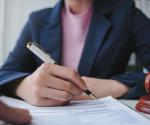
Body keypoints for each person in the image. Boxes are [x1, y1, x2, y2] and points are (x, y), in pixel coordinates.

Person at [0, 0, 150, 107]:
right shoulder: (37, 21)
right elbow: (5, 74)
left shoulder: (127, 13)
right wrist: (24, 86)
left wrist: (116, 86)